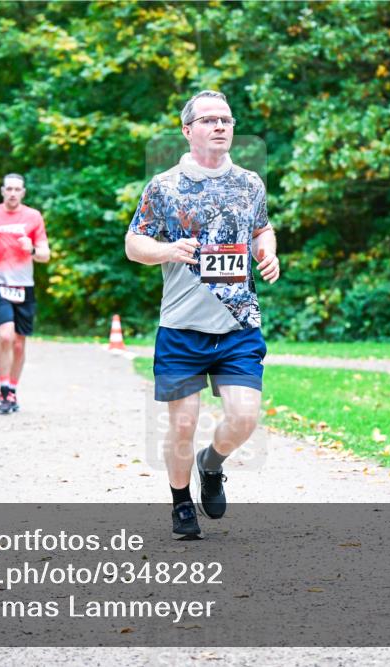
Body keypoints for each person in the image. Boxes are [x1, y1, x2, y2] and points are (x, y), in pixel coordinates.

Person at [125, 90, 281, 540]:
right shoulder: (164, 186)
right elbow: (135, 244)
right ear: (187, 129)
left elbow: (261, 228)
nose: (220, 126)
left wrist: (266, 253)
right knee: (184, 421)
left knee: (245, 417)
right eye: (209, 119)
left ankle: (210, 465)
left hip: (237, 325)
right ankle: (180, 504)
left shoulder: (250, 182)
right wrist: (168, 249)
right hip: (182, 327)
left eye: (226, 120)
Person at [0, 173, 50, 414]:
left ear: (23, 192)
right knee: (5, 335)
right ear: (2, 191)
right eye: (9, 189)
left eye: (17, 189)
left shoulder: (33, 216)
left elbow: (45, 254)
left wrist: (32, 249)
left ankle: (13, 388)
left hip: (24, 285)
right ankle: (4, 389)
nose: (13, 193)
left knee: (18, 343)